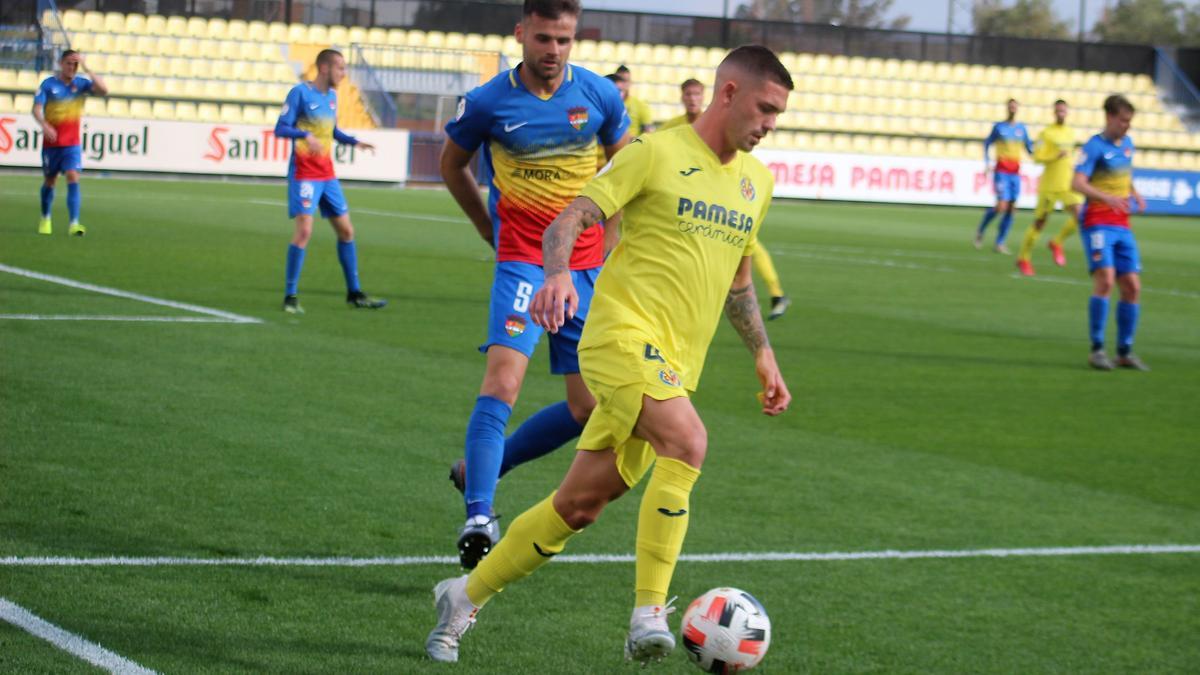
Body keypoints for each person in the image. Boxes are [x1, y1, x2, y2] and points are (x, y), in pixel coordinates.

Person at [426, 45, 793, 665]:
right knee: (688, 443)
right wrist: (559, 276)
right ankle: (650, 612)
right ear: (728, 93)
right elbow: (568, 219)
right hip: (618, 339)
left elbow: (738, 280)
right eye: (764, 108)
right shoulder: (654, 152)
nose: (769, 124)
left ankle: (462, 596)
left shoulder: (758, 183)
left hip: (672, 365)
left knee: (578, 506)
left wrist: (763, 354)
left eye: (778, 115)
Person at [439, 0, 630, 570]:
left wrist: (610, 242)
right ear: (522, 34)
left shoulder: (599, 96)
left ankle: (482, 468)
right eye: (544, 38)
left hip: (586, 267)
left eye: (564, 40)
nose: (553, 51)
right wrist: (488, 230)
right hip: (524, 262)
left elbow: (626, 172)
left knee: (585, 407)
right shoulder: (490, 101)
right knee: (503, 382)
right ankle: (479, 514)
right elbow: (453, 165)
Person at [661, 79, 791, 319]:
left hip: (717, 195)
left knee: (746, 245)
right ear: (681, 97)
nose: (692, 99)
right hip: (681, 199)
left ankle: (776, 293)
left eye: (697, 95)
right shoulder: (670, 128)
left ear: (704, 97)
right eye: (688, 95)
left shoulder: (712, 126)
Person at [274, 49, 384, 314]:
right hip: (304, 174)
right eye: (341, 69)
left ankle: (354, 293)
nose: (344, 74)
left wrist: (355, 142)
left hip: (327, 174)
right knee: (304, 233)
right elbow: (280, 128)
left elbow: (331, 131)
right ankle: (290, 297)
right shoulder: (300, 93)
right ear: (325, 68)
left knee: (346, 232)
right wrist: (304, 135)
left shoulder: (332, 97)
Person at [1072, 94, 1148, 371]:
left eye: (1130, 121)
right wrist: (1106, 197)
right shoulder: (1093, 147)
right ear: (1109, 117)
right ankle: (1097, 349)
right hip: (1097, 222)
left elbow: (1124, 177)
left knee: (1132, 286)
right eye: (1123, 120)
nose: (1127, 126)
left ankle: (1125, 351)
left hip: (1122, 225)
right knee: (1105, 279)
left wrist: (1135, 194)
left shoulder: (1127, 145)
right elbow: (1077, 183)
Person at [33, 49, 107, 236]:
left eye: (75, 64)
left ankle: (74, 224)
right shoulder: (48, 85)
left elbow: (104, 90)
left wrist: (86, 66)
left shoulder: (80, 84)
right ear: (60, 64)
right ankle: (45, 217)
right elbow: (36, 109)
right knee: (50, 181)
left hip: (72, 144)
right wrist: (44, 125)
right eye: (69, 63)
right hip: (52, 144)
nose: (72, 68)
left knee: (73, 176)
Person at [1016, 99, 1082, 276]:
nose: (1061, 114)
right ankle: (1023, 258)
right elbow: (1037, 157)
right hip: (1050, 186)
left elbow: (1071, 157)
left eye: (1064, 111)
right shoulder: (1046, 133)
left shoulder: (1070, 133)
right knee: (1040, 223)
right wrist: (1054, 155)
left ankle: (1057, 242)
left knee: (1081, 214)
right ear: (1054, 112)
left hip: (1067, 183)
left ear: (1067, 113)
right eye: (1058, 111)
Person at [975, 98, 1032, 254]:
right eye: (1010, 106)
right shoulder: (999, 128)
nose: (1013, 109)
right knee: (1001, 206)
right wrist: (987, 163)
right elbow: (987, 143)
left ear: (1018, 109)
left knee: (1012, 209)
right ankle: (981, 229)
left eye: (1015, 106)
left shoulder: (1022, 129)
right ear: (1007, 108)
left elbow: (1030, 148)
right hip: (1001, 171)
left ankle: (1000, 242)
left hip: (1015, 173)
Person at [613, 65, 654, 135]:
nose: (622, 84)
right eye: (619, 80)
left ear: (630, 83)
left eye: (625, 80)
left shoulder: (641, 106)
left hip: (632, 144)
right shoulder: (607, 104)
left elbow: (648, 133)